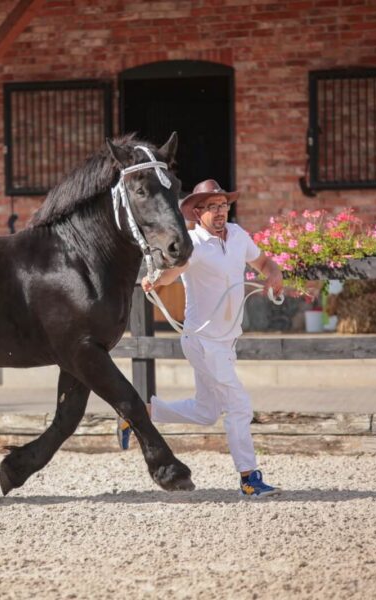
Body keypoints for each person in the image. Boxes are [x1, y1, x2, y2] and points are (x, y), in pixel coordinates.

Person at [117, 179, 284, 498]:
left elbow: (262, 262)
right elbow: (170, 273)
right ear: (197, 212)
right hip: (202, 340)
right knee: (238, 405)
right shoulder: (191, 243)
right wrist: (155, 281)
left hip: (227, 339)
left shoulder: (237, 236)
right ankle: (249, 478)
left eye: (223, 205)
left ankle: (139, 413)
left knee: (206, 411)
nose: (220, 212)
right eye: (212, 207)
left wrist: (273, 275)